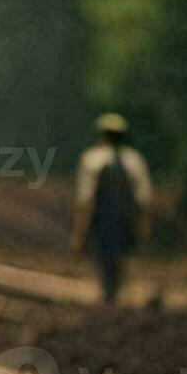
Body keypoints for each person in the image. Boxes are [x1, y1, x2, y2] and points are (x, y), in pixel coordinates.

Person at [71, 113, 152, 304]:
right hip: (126, 219)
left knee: (104, 258)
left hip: (101, 220)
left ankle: (110, 294)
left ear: (101, 135)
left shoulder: (91, 159)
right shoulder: (135, 161)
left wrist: (79, 233)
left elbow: (85, 200)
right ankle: (115, 293)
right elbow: (144, 198)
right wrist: (144, 226)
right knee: (121, 258)